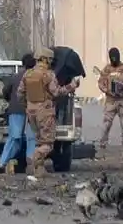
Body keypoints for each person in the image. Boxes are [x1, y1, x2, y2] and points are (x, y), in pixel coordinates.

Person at [20, 48, 79, 176]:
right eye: (50, 60)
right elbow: (56, 92)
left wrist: (28, 106)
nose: (51, 62)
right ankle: (34, 160)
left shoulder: (27, 74)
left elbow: (20, 93)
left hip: (31, 113)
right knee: (47, 144)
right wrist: (71, 86)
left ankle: (39, 170)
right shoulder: (48, 75)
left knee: (39, 141)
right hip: (45, 113)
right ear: (45, 59)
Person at [0, 53, 38, 173]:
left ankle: (4, 161)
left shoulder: (16, 77)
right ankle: (31, 163)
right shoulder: (38, 77)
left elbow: (5, 91)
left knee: (15, 137)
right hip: (33, 110)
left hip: (16, 110)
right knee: (32, 138)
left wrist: (10, 100)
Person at [98, 47, 123, 156]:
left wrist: (121, 85)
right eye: (112, 58)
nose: (114, 59)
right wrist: (107, 90)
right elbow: (100, 83)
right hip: (111, 101)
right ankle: (102, 147)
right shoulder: (107, 69)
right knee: (106, 125)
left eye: (115, 57)